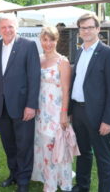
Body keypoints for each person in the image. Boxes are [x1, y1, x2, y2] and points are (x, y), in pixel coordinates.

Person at [0, 13, 41, 192]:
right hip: (0, 106)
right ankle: (14, 175)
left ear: (16, 27)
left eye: (10, 26)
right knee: (9, 145)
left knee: (24, 145)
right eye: (3, 27)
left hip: (23, 106)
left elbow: (34, 77)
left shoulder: (28, 46)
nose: (7, 30)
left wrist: (31, 105)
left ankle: (23, 181)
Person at [70, 13, 110, 192]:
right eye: (83, 28)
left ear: (98, 29)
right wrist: (70, 110)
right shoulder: (79, 51)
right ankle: (82, 186)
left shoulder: (109, 54)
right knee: (82, 152)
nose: (87, 31)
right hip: (78, 111)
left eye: (90, 27)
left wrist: (108, 119)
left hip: (98, 115)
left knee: (103, 157)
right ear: (79, 31)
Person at [31, 26, 79, 192]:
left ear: (57, 40)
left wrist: (64, 114)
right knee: (44, 147)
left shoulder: (62, 61)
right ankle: (48, 181)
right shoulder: (38, 59)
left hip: (57, 111)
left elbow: (66, 90)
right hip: (40, 111)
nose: (48, 43)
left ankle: (63, 183)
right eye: (45, 39)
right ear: (40, 40)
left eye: (52, 39)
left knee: (58, 146)